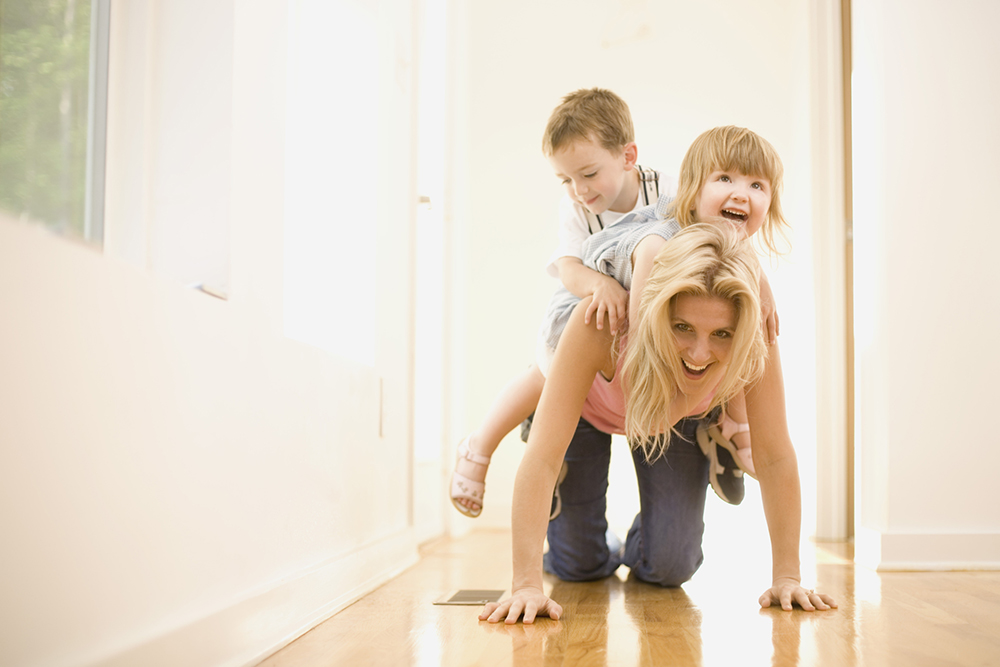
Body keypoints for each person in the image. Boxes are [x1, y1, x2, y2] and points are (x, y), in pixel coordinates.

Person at [478, 224, 837, 624]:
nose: (700, 353)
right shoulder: (601, 321)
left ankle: (635, 539)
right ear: (655, 309)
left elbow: (775, 456)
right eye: (682, 327)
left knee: (671, 565)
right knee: (578, 565)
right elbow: (543, 457)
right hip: (586, 411)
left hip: (678, 415)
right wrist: (525, 585)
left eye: (721, 334)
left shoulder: (754, 339)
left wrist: (787, 576)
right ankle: (586, 540)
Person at [451, 88, 676, 518]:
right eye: (566, 180)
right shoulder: (575, 210)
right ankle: (479, 447)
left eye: (588, 174)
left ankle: (729, 430)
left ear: (628, 156)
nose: (578, 190)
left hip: (644, 311)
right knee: (547, 371)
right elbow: (569, 268)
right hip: (588, 298)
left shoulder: (665, 190)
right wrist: (598, 286)